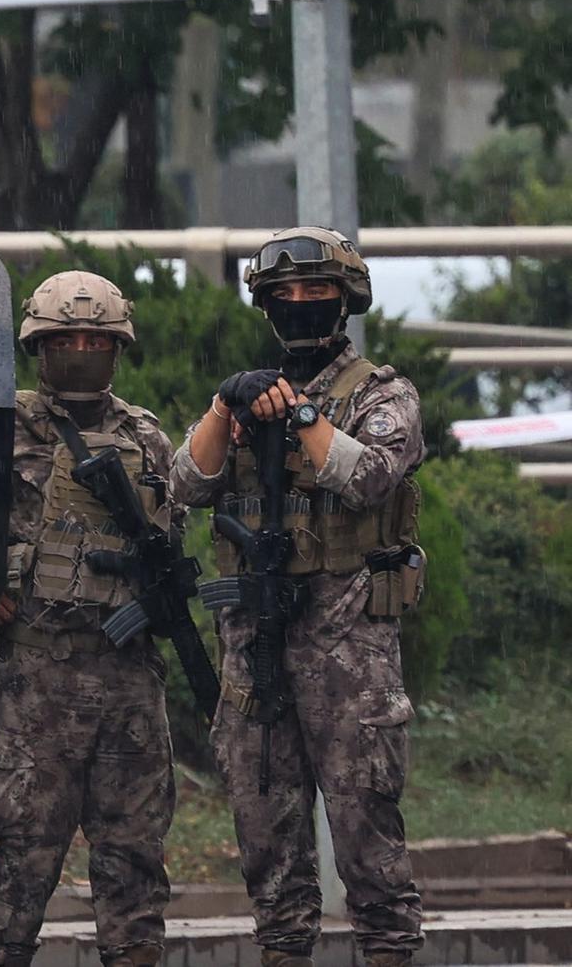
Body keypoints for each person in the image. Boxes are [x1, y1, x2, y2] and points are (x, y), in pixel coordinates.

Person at [169, 226, 426, 967]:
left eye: (318, 294)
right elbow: (186, 485)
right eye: (286, 296)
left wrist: (303, 417)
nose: (302, 306)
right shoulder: (249, 398)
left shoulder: (383, 392)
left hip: (350, 658)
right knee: (269, 851)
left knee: (368, 845)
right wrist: (227, 407)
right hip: (257, 652)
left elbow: (371, 475)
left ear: (345, 303)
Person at [0, 271, 182, 967]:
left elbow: (171, 537)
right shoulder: (1, 427)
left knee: (133, 859)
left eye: (97, 338)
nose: (83, 349)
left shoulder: (146, 437)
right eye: (67, 338)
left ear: (118, 347)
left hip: (128, 681)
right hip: (38, 680)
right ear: (39, 344)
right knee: (23, 857)